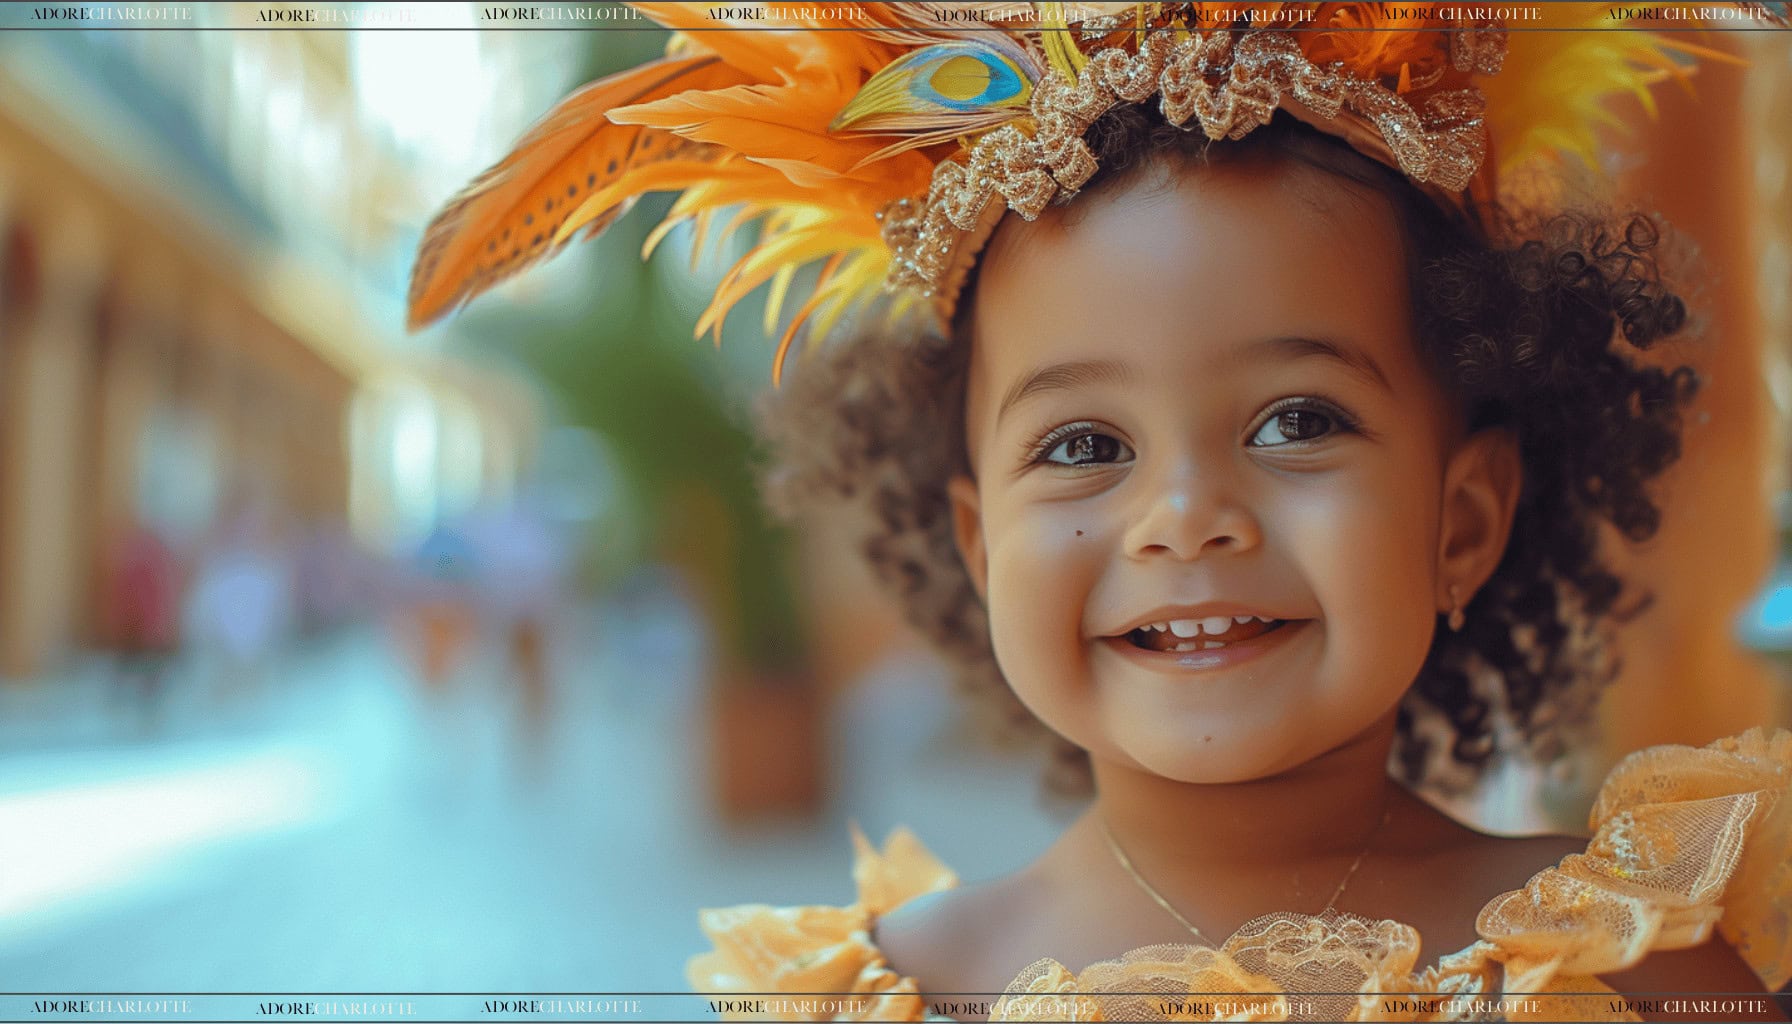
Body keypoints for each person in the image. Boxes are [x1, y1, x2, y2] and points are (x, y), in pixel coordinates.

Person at [405, 4, 1792, 1018]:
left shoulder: (1631, 965)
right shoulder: (884, 999)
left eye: (1296, 421)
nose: (1184, 518)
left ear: (1463, 521)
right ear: (975, 542)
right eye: (1083, 443)